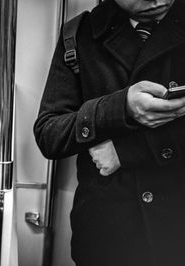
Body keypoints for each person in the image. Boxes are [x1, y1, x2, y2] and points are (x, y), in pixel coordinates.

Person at [34, 0, 185, 265]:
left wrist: (127, 152)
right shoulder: (80, 33)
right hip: (106, 236)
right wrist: (120, 108)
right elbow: (49, 134)